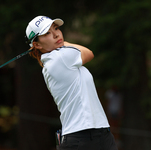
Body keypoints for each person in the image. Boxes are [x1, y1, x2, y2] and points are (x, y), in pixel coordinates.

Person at [25, 16, 118, 150]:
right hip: (81, 138)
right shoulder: (59, 58)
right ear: (37, 45)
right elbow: (89, 53)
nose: (56, 34)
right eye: (47, 33)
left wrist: (59, 42)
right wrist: (64, 42)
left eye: (56, 29)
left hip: (101, 133)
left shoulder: (57, 58)